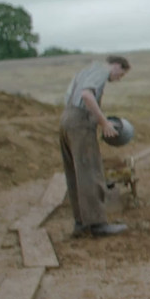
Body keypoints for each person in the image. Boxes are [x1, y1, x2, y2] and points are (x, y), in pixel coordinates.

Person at [60, 55, 130, 238]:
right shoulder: (101, 70)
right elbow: (86, 95)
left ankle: (81, 223)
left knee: (75, 174)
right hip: (80, 123)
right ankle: (97, 224)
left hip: (66, 120)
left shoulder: (86, 71)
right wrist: (104, 122)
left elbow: (70, 96)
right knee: (90, 172)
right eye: (121, 74)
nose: (118, 79)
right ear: (116, 66)